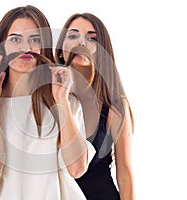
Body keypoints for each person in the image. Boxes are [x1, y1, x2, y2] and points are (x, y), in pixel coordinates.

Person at [0, 5, 95, 200]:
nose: (25, 48)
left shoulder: (66, 102)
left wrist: (61, 101)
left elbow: (76, 168)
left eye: (35, 39)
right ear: (1, 46)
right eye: (15, 39)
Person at [55, 13, 135, 200]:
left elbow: (125, 177)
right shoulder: (44, 97)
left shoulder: (114, 104)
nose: (81, 43)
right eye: (73, 36)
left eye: (92, 38)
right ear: (60, 50)